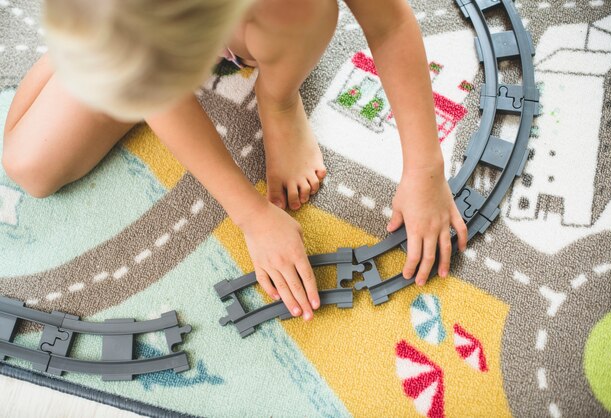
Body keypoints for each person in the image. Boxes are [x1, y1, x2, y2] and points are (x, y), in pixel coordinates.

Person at [1, 0, 467, 322]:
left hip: (265, 19)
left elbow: (389, 24)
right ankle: (103, 46)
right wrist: (251, 215)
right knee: (30, 166)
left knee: (299, 9)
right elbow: (156, 90)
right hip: (151, 27)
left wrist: (426, 169)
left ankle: (278, 100)